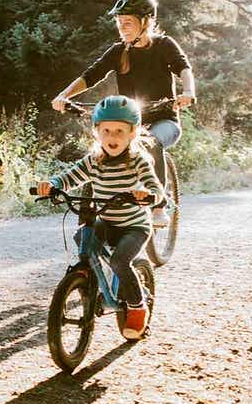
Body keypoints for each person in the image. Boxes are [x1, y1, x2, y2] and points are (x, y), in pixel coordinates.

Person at [51, 0, 195, 228]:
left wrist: (188, 92)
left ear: (146, 22)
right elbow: (91, 76)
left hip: (164, 121)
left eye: (128, 22)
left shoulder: (163, 45)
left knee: (151, 142)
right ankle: (93, 214)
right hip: (129, 124)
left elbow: (184, 68)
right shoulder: (118, 51)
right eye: (119, 23)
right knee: (102, 149)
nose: (122, 27)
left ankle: (158, 205)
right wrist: (64, 96)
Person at [33, 95, 163, 339]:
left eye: (119, 131)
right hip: (108, 220)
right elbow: (69, 177)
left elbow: (156, 189)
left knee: (119, 262)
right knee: (82, 237)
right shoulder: (94, 161)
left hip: (134, 226)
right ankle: (89, 283)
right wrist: (52, 184)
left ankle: (137, 306)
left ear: (132, 133)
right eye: (106, 131)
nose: (112, 137)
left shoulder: (138, 161)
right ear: (96, 132)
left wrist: (148, 195)